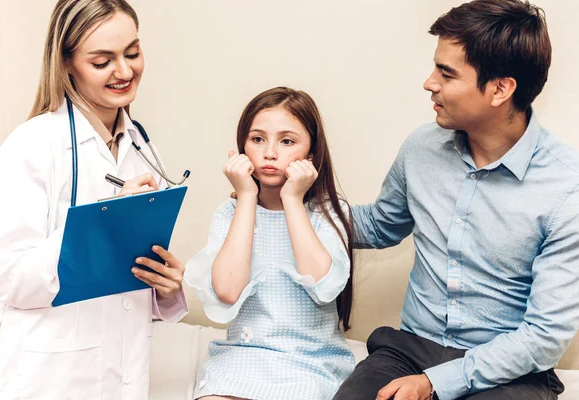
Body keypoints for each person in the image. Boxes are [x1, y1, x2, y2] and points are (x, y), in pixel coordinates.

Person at [333, 1, 579, 399]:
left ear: (501, 89)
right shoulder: (421, 147)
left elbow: (544, 337)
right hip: (410, 351)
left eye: (446, 74)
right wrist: (290, 202)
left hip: (510, 371)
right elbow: (379, 225)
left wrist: (434, 384)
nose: (429, 83)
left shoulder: (568, 188)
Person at [0, 1, 188, 398]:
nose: (125, 72)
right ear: (67, 63)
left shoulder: (143, 147)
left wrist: (164, 288)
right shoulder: (31, 146)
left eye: (132, 52)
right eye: (102, 61)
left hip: (123, 371)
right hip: (50, 376)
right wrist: (103, 222)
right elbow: (8, 279)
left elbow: (129, 273)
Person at [184, 87, 355, 400]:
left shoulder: (330, 212)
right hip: (242, 359)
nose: (270, 153)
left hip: (309, 363)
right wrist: (247, 195)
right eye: (257, 139)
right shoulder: (230, 213)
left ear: (311, 155)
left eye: (287, 141)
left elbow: (323, 284)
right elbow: (227, 290)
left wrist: (292, 198)